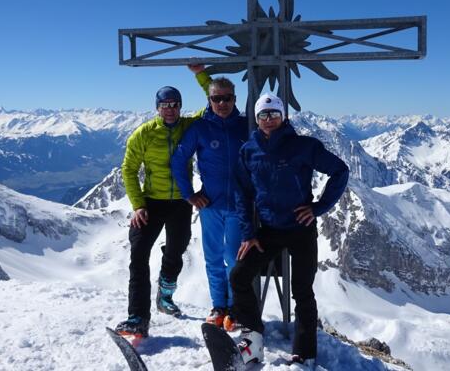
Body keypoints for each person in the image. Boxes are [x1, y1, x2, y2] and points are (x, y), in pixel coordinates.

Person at [229, 93, 350, 366]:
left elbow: (340, 171)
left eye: (273, 114)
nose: (269, 120)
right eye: (263, 115)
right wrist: (248, 234)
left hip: (301, 228)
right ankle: (254, 338)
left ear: (283, 116)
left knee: (302, 290)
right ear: (257, 119)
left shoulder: (304, 146)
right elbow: (242, 193)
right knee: (239, 276)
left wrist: (318, 208)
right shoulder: (248, 150)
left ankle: (304, 353)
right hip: (268, 229)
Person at [114, 72, 211, 339]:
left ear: (181, 106)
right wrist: (138, 205)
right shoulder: (143, 134)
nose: (170, 109)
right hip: (152, 203)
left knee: (177, 249)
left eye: (175, 104)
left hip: (181, 201)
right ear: (157, 108)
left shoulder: (190, 126)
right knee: (139, 253)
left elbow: (214, 100)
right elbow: (129, 169)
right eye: (165, 105)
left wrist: (201, 74)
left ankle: (165, 293)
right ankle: (138, 316)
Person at [170, 64, 248, 327]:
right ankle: (219, 307)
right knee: (213, 257)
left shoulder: (246, 125)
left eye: (227, 98)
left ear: (235, 99)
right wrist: (189, 195)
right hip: (211, 204)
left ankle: (235, 309)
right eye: (217, 98)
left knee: (234, 259)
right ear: (209, 100)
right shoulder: (200, 128)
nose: (222, 103)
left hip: (239, 205)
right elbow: (179, 161)